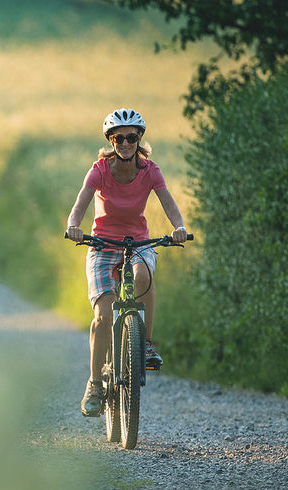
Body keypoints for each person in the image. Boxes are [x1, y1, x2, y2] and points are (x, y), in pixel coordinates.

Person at [64, 108, 189, 417]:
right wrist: (74, 227)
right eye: (119, 138)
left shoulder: (150, 171)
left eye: (132, 137)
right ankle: (95, 383)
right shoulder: (100, 170)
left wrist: (179, 228)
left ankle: (145, 343)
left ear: (139, 139)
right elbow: (79, 205)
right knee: (103, 316)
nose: (126, 143)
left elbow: (170, 204)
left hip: (137, 241)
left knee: (144, 277)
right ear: (111, 140)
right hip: (102, 243)